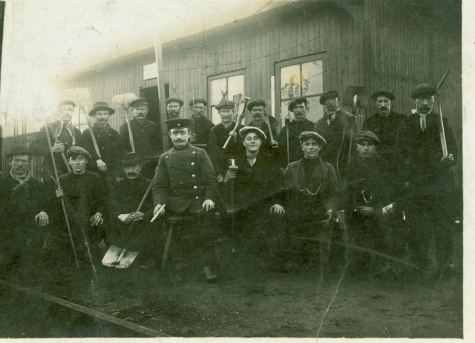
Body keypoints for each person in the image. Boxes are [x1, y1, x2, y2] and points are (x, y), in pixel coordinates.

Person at [390, 84, 458, 276]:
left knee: (443, 224)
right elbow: (398, 154)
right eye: (421, 99)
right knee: (416, 225)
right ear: (415, 101)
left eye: (430, 99)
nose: (426, 103)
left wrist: (450, 158)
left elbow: (454, 150)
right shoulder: (406, 123)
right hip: (416, 184)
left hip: (440, 183)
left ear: (434, 101)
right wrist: (405, 179)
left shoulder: (441, 122)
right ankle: (419, 263)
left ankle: (446, 264)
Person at [152, 118, 219, 281]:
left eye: (182, 133)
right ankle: (177, 267)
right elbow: (159, 185)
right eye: (175, 133)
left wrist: (209, 198)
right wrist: (159, 203)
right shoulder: (165, 158)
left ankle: (207, 266)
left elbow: (210, 180)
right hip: (175, 202)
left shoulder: (200, 153)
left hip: (198, 201)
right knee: (169, 230)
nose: (179, 137)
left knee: (207, 225)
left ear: (189, 134)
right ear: (170, 135)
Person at [221, 126, 286, 269]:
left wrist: (277, 202)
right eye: (248, 139)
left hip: (264, 206)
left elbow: (279, 184)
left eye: (256, 139)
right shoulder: (235, 162)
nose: (252, 142)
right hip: (241, 207)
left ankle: (267, 262)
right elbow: (227, 192)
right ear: (243, 143)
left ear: (261, 142)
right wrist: (227, 180)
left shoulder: (269, 160)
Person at [344, 130, 403, 274]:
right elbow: (348, 193)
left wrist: (375, 210)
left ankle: (381, 263)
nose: (365, 148)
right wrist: (355, 208)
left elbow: (389, 193)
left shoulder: (384, 166)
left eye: (369, 145)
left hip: (379, 212)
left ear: (375, 147)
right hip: (358, 212)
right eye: (362, 144)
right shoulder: (351, 167)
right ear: (357, 147)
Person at [283, 131, 340, 269]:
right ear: (302, 147)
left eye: (314, 144)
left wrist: (331, 208)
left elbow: (334, 193)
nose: (311, 147)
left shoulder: (328, 168)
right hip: (297, 214)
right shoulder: (292, 167)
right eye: (307, 144)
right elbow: (283, 191)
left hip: (319, 213)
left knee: (320, 258)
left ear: (320, 147)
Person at [50, 146, 108, 266]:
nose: (77, 162)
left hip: (90, 224)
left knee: (92, 256)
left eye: (80, 159)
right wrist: (56, 196)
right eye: (73, 159)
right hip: (69, 226)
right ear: (69, 161)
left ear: (86, 161)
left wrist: (99, 213)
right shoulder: (62, 180)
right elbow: (54, 207)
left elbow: (104, 200)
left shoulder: (95, 178)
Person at [0, 145, 50, 277]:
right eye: (17, 160)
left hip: (32, 240)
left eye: (24, 161)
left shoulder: (38, 186)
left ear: (28, 163)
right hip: (7, 240)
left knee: (30, 276)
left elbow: (47, 205)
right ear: (10, 161)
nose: (21, 164)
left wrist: (44, 211)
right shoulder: (2, 185)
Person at [108, 153, 159, 269]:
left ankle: (147, 258)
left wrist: (144, 215)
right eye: (127, 167)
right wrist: (120, 215)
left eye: (134, 167)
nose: (130, 170)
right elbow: (112, 203)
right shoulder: (118, 184)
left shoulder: (149, 184)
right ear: (123, 169)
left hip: (143, 223)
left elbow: (155, 205)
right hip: (124, 222)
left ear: (140, 167)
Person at [30, 100, 95, 180]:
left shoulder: (76, 132)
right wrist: (52, 149)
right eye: (64, 109)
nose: (67, 112)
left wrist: (97, 159)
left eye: (70, 110)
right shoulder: (49, 128)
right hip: (54, 172)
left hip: (72, 172)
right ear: (58, 111)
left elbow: (84, 148)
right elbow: (33, 147)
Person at [314, 90, 356, 182]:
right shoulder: (319, 123)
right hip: (325, 162)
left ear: (338, 100)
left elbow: (353, 145)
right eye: (327, 100)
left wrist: (351, 163)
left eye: (333, 99)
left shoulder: (349, 119)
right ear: (324, 103)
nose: (330, 102)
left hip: (342, 162)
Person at [82, 101, 124, 189]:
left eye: (105, 114)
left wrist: (118, 174)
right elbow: (86, 149)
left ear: (109, 115)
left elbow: (119, 155)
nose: (102, 117)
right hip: (94, 171)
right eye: (99, 114)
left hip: (111, 173)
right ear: (94, 115)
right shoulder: (87, 133)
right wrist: (97, 159)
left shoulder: (114, 134)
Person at [119, 97, 162, 178]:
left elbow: (158, 146)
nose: (140, 112)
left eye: (143, 109)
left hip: (152, 165)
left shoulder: (153, 126)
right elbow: (123, 147)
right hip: (135, 165)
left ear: (147, 110)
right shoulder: (125, 127)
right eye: (137, 109)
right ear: (132, 111)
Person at [362, 91, 405, 161]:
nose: (383, 105)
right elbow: (365, 143)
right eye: (380, 101)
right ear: (376, 104)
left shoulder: (401, 120)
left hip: (396, 160)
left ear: (391, 103)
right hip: (375, 161)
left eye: (386, 101)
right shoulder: (369, 122)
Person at [208, 98, 244, 182]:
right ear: (219, 113)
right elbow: (212, 154)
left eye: (228, 111)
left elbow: (243, 151)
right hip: (221, 169)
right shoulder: (214, 130)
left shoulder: (241, 129)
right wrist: (218, 173)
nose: (225, 114)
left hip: (239, 169)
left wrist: (235, 139)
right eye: (223, 111)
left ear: (233, 112)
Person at [277, 97, 315, 167]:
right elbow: (280, 151)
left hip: (310, 165)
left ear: (306, 109)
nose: (299, 110)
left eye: (301, 107)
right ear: (292, 110)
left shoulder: (314, 127)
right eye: (296, 108)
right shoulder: (286, 129)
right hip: (292, 166)